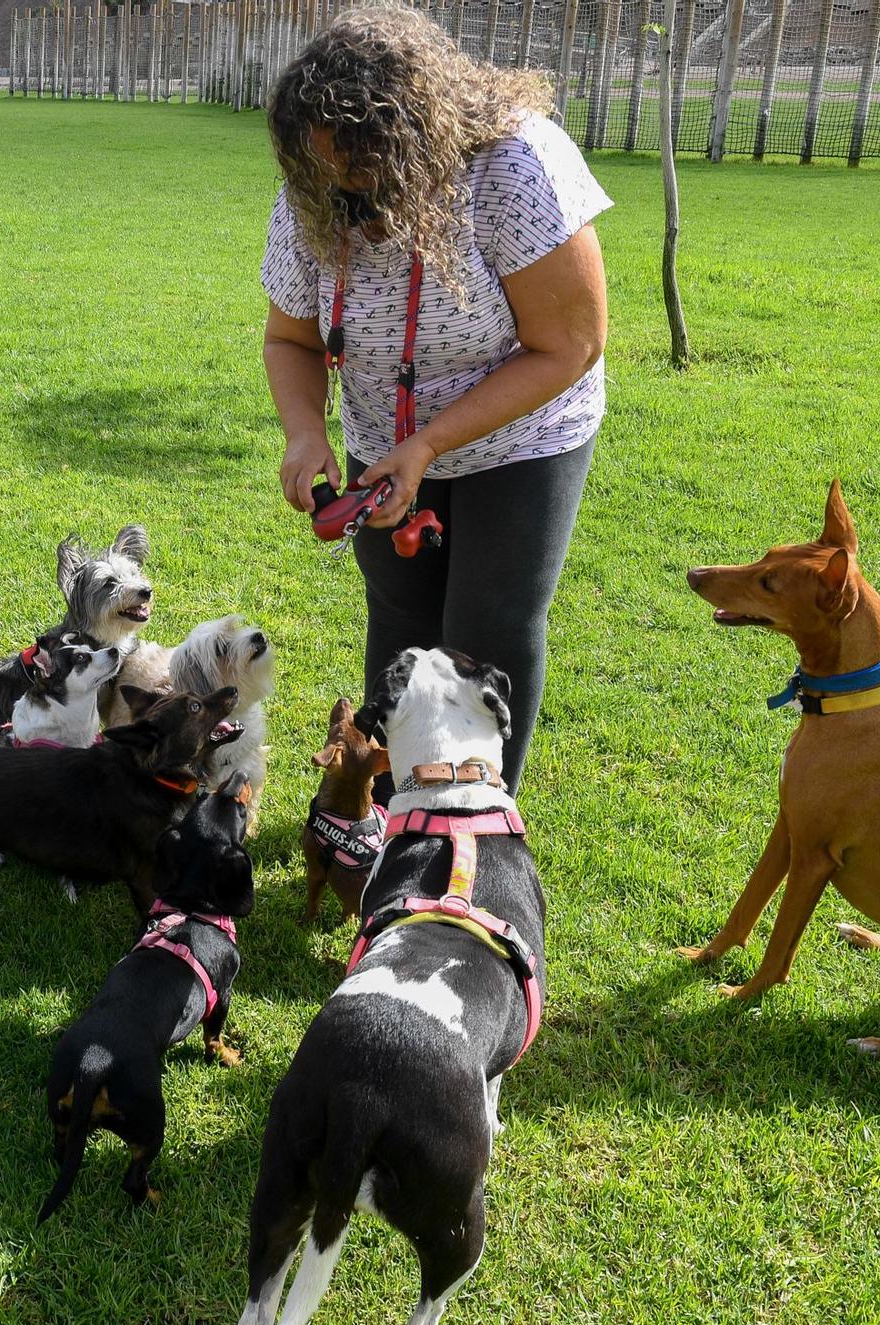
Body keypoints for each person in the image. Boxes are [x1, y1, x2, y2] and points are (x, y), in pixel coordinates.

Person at [261, 5, 611, 792]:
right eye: (326, 173)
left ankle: (475, 825)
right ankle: (393, 810)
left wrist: (431, 444)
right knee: (399, 614)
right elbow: (291, 339)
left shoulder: (515, 166)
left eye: (364, 175)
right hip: (385, 437)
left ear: (418, 139)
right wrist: (304, 432)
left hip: (523, 435)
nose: (347, 198)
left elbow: (571, 344)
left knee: (486, 629)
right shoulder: (313, 189)